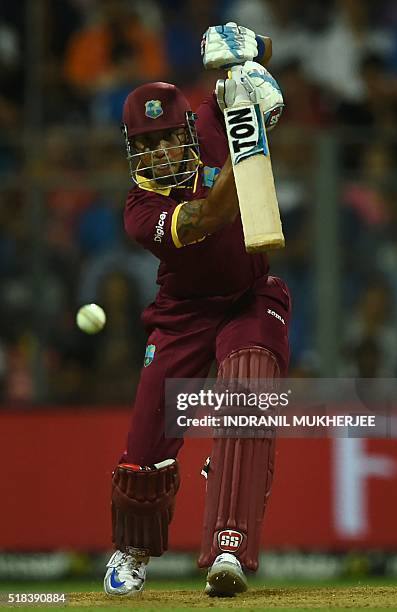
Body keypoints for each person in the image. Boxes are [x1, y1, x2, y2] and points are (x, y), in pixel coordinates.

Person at [103, 23, 291, 598]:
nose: (161, 152)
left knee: (248, 394)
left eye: (168, 137)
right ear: (134, 151)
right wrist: (251, 139)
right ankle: (131, 553)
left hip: (249, 296)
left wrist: (249, 58)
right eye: (148, 144)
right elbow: (209, 218)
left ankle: (229, 544)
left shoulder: (215, 115)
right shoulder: (141, 209)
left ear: (189, 126)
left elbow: (254, 68)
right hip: (182, 311)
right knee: (145, 451)